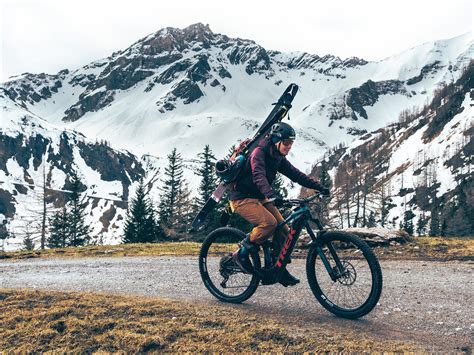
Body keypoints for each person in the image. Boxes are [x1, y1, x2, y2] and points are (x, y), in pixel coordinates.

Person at [229, 122, 330, 286]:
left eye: (291, 143)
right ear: (276, 140)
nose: (289, 147)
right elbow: (258, 175)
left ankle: (277, 269)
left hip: (260, 197)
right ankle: (241, 252)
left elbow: (296, 175)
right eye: (287, 143)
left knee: (283, 230)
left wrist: (319, 187)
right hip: (242, 198)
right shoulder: (259, 153)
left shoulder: (277, 157)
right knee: (268, 223)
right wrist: (271, 195)